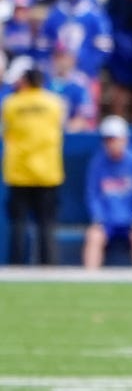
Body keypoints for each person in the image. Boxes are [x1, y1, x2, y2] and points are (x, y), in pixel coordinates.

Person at [1, 61, 63, 265]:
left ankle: (17, 265)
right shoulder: (54, 103)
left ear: (25, 81)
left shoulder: (11, 103)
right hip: (47, 172)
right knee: (46, 223)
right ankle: (48, 265)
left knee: (18, 224)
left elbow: (7, 131)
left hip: (19, 171)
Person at [82, 116, 132, 269]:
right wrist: (99, 217)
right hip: (107, 220)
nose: (111, 144)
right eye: (107, 140)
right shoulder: (98, 162)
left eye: (114, 139)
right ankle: (89, 280)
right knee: (94, 235)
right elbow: (93, 195)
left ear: (124, 139)